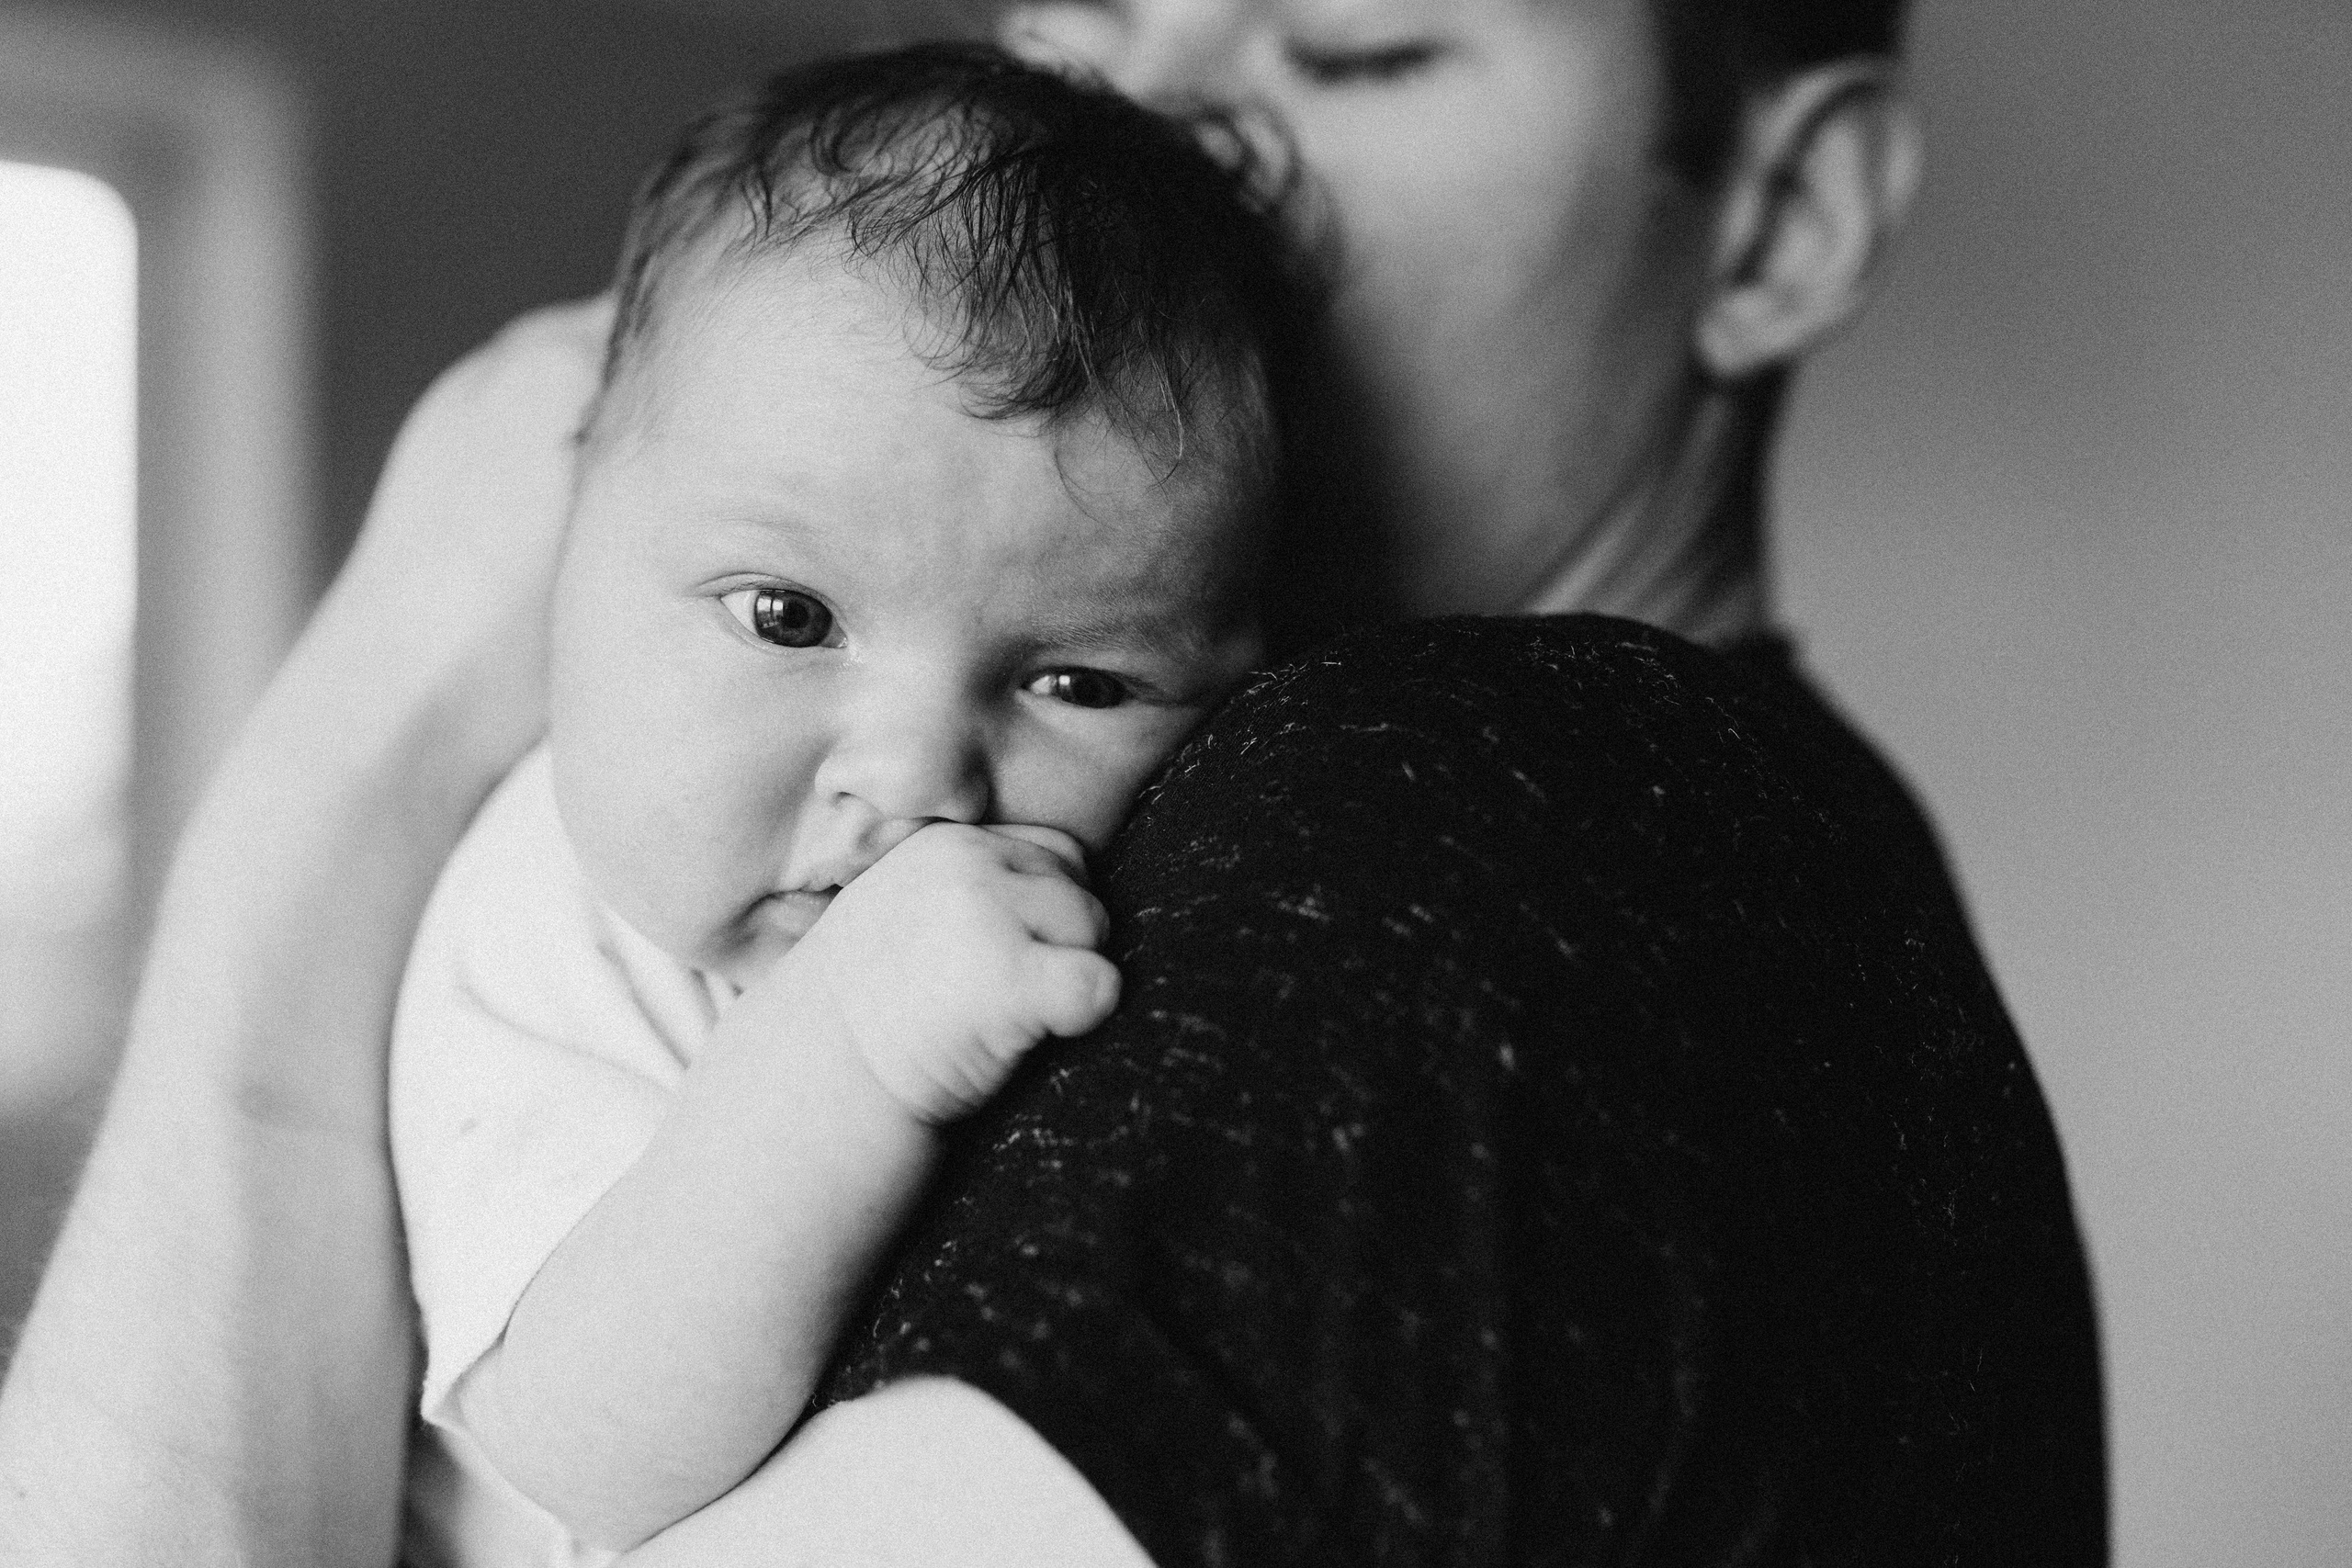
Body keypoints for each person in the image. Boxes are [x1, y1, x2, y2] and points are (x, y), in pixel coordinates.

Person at [0, 1, 2109, 1564]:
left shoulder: (1483, 816)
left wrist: (361, 717)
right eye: (1078, 26)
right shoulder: (1776, 872)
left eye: (1352, 45)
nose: (1160, 128)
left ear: (1782, 218)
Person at [389, 46, 1303, 1562]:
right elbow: (576, 1447)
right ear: (569, 543)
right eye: (789, 618)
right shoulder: (546, 920)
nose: (917, 782)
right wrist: (850, 1048)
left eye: (1078, 684)